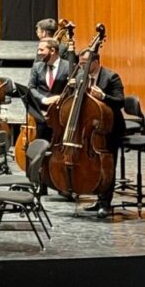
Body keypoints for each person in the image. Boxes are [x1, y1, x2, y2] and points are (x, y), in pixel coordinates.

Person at [64, 47, 126, 218]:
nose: (81, 66)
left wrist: (104, 97)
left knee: (107, 166)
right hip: (89, 129)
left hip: (109, 128)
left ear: (96, 62)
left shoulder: (111, 77)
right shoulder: (80, 76)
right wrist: (72, 90)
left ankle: (106, 203)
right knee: (94, 165)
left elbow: (120, 101)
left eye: (84, 63)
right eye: (80, 63)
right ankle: (98, 199)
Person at [27, 37, 71, 143]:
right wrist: (43, 99)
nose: (38, 53)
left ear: (52, 50)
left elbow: (72, 90)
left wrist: (60, 98)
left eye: (42, 50)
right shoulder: (37, 67)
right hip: (41, 115)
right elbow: (31, 87)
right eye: (38, 50)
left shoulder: (68, 66)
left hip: (60, 116)